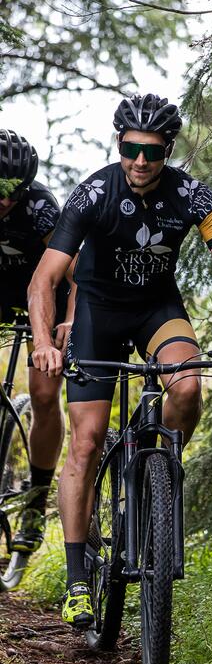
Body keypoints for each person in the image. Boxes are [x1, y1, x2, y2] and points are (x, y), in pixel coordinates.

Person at [28, 93, 212, 628]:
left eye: (153, 152)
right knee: (88, 441)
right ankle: (76, 579)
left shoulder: (194, 197)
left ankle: (154, 468)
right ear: (119, 144)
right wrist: (46, 342)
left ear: (169, 151)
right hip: (97, 315)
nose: (140, 161)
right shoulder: (93, 192)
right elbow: (44, 280)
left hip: (157, 311)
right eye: (131, 148)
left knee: (186, 388)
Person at [0, 129, 74, 552]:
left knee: (45, 395)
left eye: (16, 189)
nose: (7, 198)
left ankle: (35, 497)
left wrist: (67, 321)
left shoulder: (41, 207)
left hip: (41, 294)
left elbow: (74, 274)